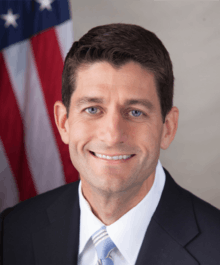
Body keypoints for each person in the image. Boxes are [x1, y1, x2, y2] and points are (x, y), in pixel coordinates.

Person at [1, 23, 220, 265]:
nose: (112, 136)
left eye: (135, 112)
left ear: (167, 127)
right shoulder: (12, 232)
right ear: (64, 123)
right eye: (93, 109)